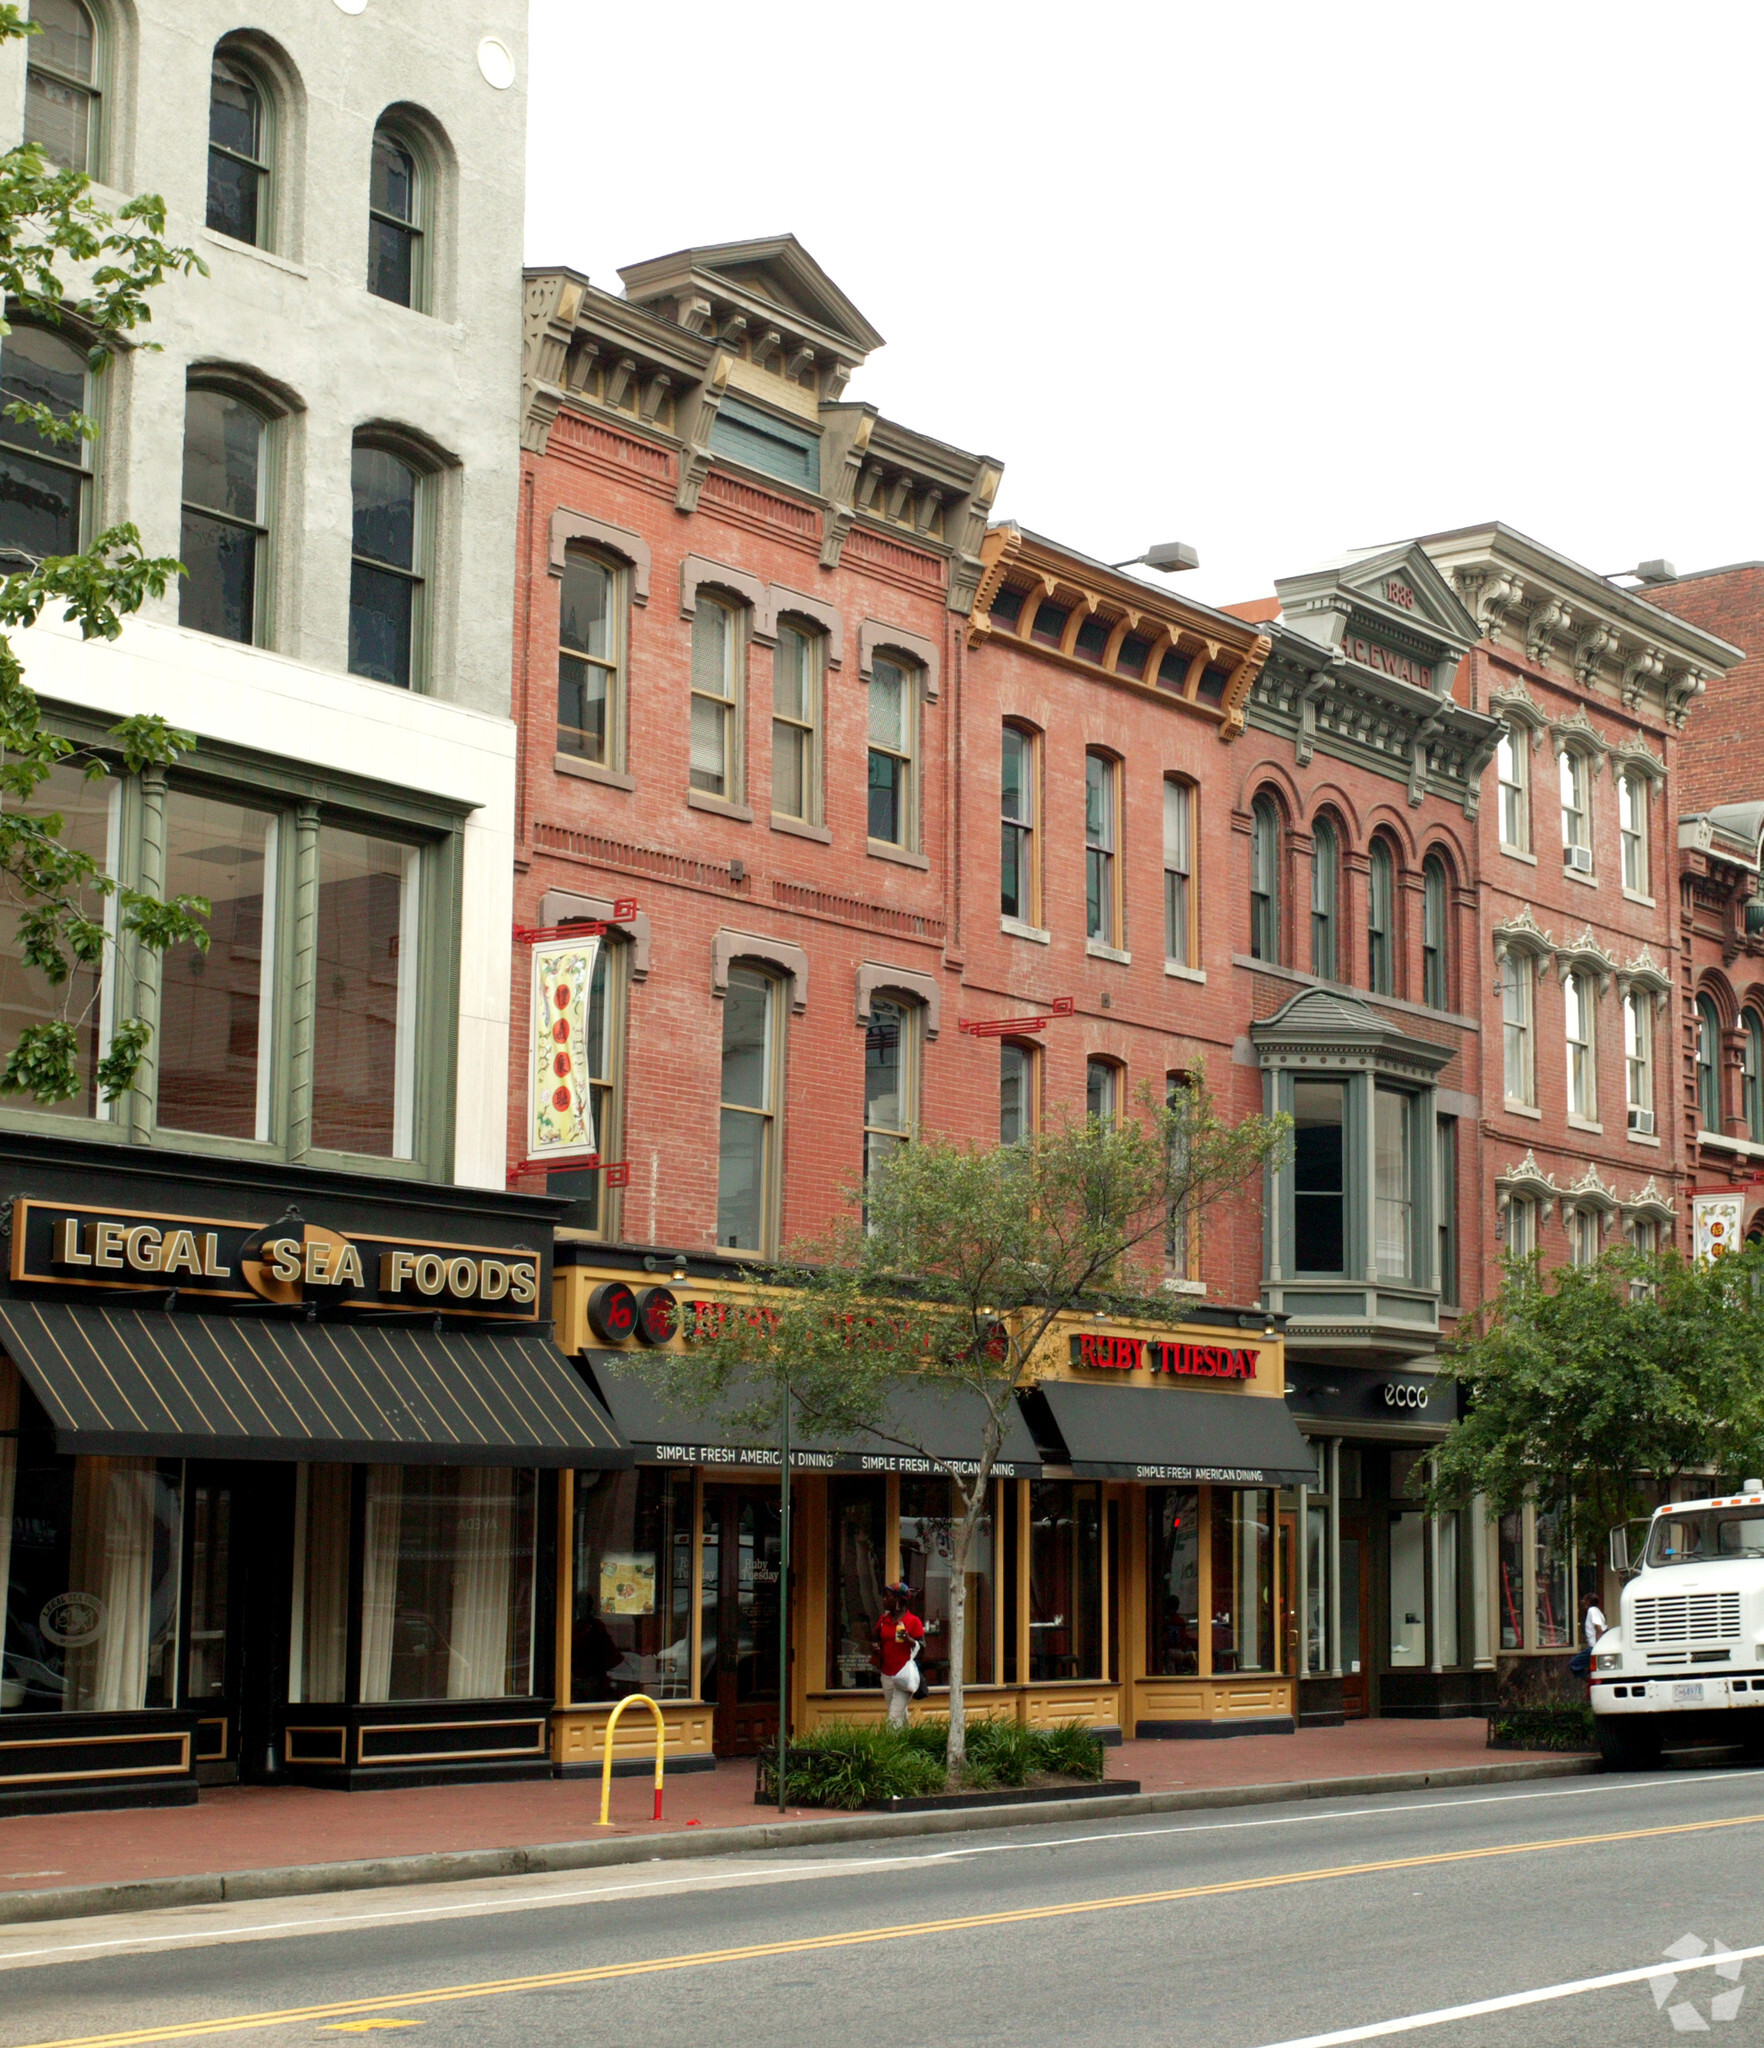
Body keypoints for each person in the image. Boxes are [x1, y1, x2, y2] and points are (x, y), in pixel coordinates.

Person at [873, 1581, 924, 1728]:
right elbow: (875, 1639)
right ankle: (908, 1743)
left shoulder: (913, 1621)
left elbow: (922, 1648)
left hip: (904, 1676)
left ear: (897, 1599)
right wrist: (876, 1647)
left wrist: (910, 1640)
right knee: (898, 1713)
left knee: (893, 1719)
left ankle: (889, 1747)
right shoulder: (883, 1620)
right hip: (887, 1674)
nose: (883, 1600)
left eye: (887, 1596)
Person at [1569, 1590, 1607, 1680]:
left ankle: (1588, 1681)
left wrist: (1597, 1645)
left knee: (1574, 1664)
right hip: (1596, 1647)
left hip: (1593, 1647)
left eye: (1585, 1600)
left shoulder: (1592, 1610)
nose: (1583, 1603)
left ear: (1588, 1602)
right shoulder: (1598, 1611)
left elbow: (1598, 1627)